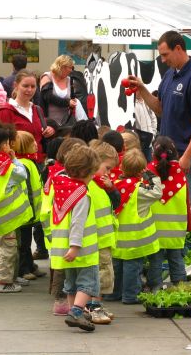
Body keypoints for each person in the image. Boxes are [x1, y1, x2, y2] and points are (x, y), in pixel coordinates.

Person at [128, 30, 191, 266]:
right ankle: (178, 253)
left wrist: (188, 155)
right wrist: (141, 88)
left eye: (165, 54)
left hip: (189, 152)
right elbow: (160, 108)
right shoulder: (170, 75)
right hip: (168, 154)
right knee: (170, 203)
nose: (163, 59)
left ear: (179, 48)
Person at [49, 144, 101, 331]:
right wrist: (75, 246)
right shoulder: (82, 195)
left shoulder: (61, 189)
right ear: (88, 172)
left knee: (71, 284)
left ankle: (74, 311)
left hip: (63, 250)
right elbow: (77, 223)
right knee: (88, 283)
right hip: (82, 251)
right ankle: (77, 312)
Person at [105, 148, 162, 304]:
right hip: (135, 241)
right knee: (132, 268)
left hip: (116, 239)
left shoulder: (114, 185)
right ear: (141, 170)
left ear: (122, 167)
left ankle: (112, 293)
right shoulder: (140, 191)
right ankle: (130, 296)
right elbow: (157, 192)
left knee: (116, 267)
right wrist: (149, 174)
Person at [0, 126, 33, 293]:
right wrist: (14, 159)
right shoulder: (7, 166)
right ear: (4, 146)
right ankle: (3, 283)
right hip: (7, 218)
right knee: (9, 248)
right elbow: (22, 174)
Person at [146, 136, 188, 291]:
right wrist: (189, 226)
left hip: (154, 229)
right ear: (175, 153)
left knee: (155, 260)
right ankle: (180, 288)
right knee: (176, 259)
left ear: (153, 154)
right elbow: (187, 202)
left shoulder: (148, 172)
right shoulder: (181, 174)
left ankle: (155, 287)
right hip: (176, 229)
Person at [87, 140, 120, 324]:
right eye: (106, 168)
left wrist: (111, 189)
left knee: (101, 274)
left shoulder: (99, 185)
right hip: (98, 239)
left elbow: (115, 203)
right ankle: (95, 307)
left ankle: (94, 305)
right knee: (101, 275)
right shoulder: (90, 185)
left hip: (102, 238)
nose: (108, 173)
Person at [0, 69, 55, 165]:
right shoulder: (5, 111)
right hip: (16, 165)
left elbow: (39, 136)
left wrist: (49, 131)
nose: (29, 90)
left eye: (33, 86)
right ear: (16, 85)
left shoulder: (37, 110)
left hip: (37, 163)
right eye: (25, 86)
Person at [12, 130, 45, 281]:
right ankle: (23, 269)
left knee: (26, 241)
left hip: (32, 211)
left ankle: (30, 266)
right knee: (24, 243)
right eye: (32, 143)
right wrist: (30, 211)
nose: (36, 145)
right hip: (26, 211)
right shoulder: (24, 164)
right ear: (24, 146)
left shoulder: (30, 162)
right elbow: (28, 191)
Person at [40, 55, 85, 126]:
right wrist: (67, 102)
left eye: (72, 68)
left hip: (66, 122)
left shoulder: (70, 80)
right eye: (69, 67)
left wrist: (73, 103)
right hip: (49, 122)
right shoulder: (47, 76)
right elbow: (48, 96)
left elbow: (73, 98)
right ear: (62, 67)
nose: (71, 70)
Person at [134, 89, 157, 161]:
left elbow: (153, 119)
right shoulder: (133, 104)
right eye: (137, 89)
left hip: (149, 142)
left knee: (149, 167)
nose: (140, 91)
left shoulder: (147, 102)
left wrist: (153, 134)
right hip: (138, 143)